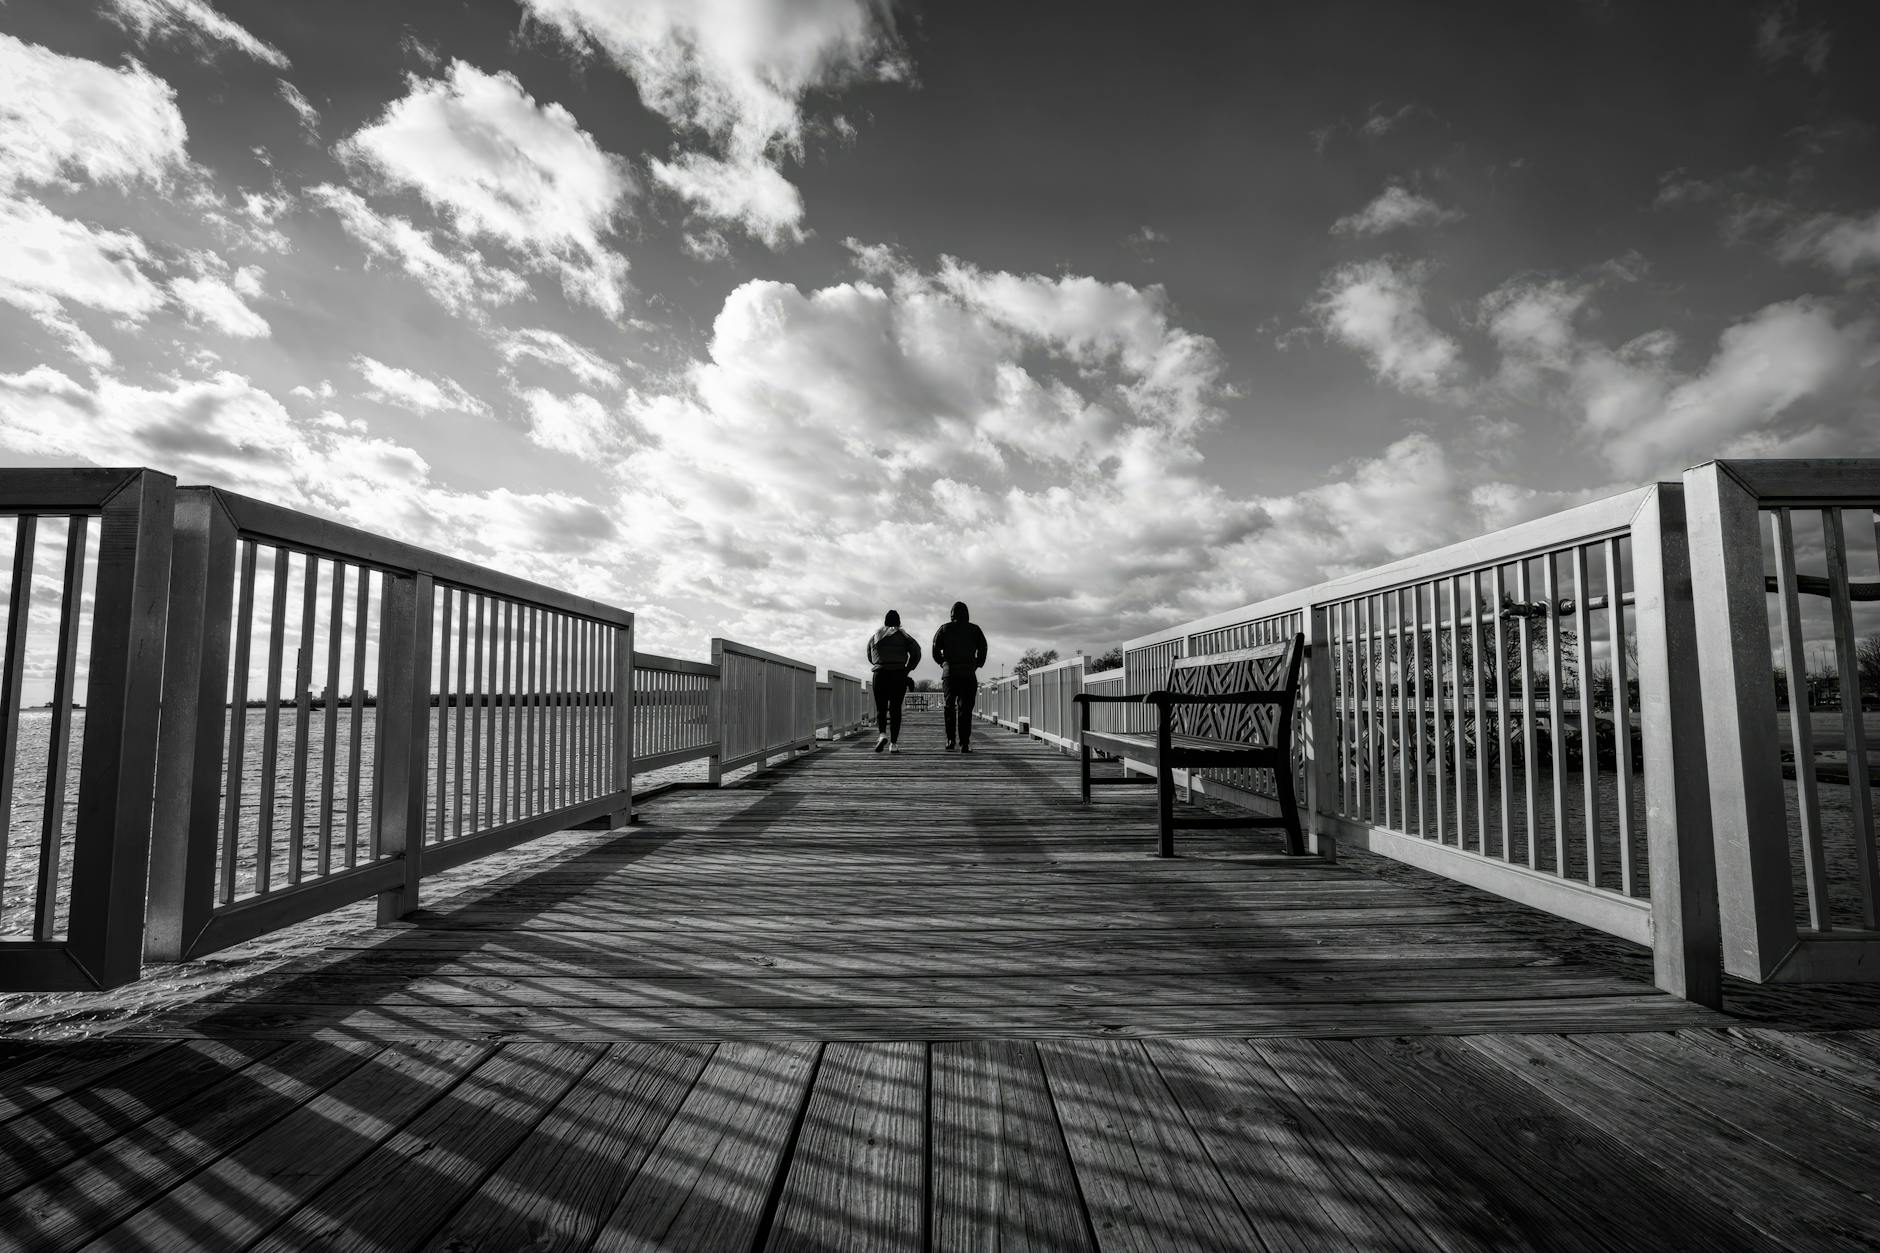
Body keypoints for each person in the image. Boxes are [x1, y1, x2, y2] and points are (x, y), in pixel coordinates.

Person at [931, 601, 988, 752]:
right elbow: (983, 649)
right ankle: (965, 743)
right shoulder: (975, 630)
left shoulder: (944, 629)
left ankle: (950, 740)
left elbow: (935, 649)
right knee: (965, 709)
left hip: (949, 674)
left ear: (952, 614)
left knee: (949, 707)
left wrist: (943, 663)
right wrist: (977, 664)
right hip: (968, 674)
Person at [866, 609, 922, 753]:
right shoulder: (904, 636)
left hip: (880, 674)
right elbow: (916, 652)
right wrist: (907, 669)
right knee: (896, 709)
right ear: (899, 622)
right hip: (898, 675)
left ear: (885, 621)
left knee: (881, 708)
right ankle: (894, 744)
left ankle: (882, 734)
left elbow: (870, 656)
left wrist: (879, 664)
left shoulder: (876, 636)